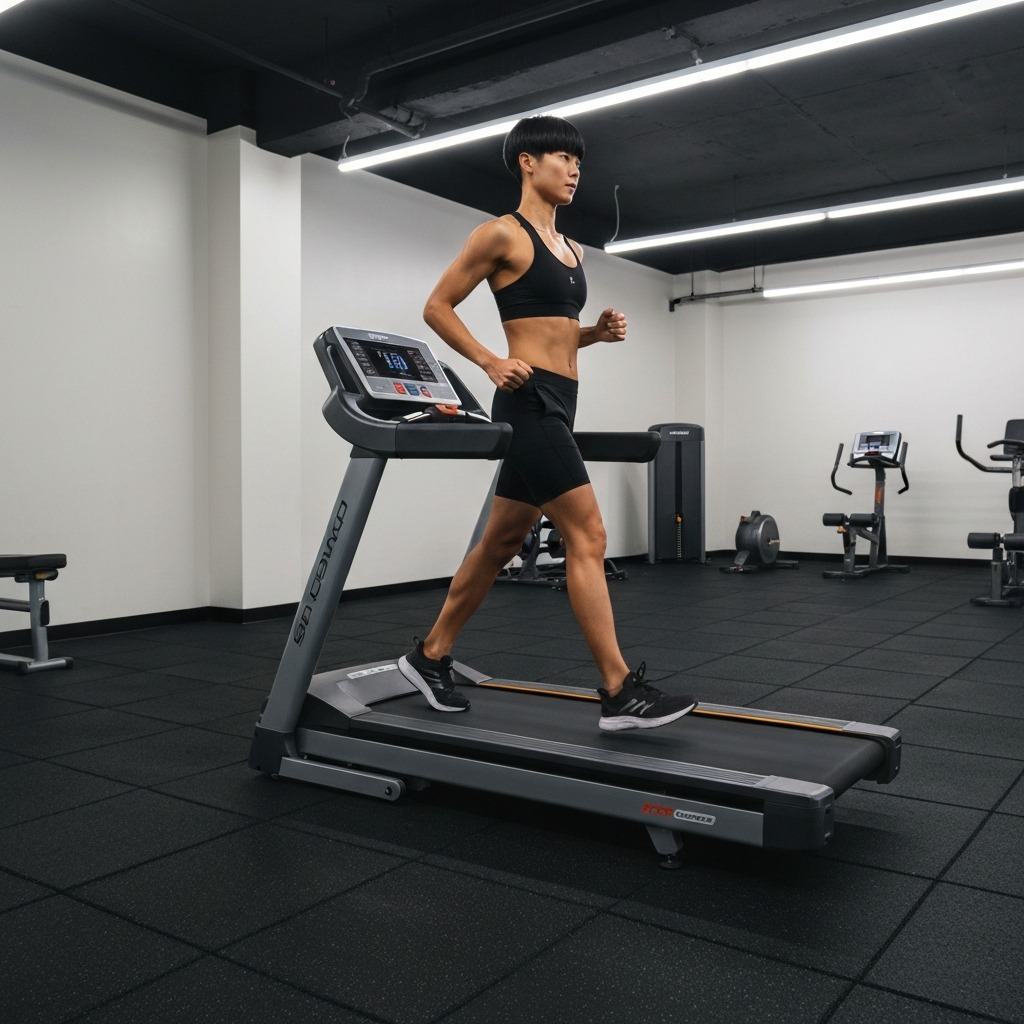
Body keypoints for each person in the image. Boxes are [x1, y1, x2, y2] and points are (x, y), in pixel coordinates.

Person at [399, 115, 697, 732]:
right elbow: (436, 307)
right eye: (563, 157)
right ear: (527, 162)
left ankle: (429, 657)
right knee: (588, 537)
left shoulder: (573, 250)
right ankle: (619, 692)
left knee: (502, 542)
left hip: (562, 398)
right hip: (528, 401)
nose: (575, 169)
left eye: (578, 161)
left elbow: (556, 337)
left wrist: (595, 334)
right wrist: (488, 361)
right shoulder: (499, 235)